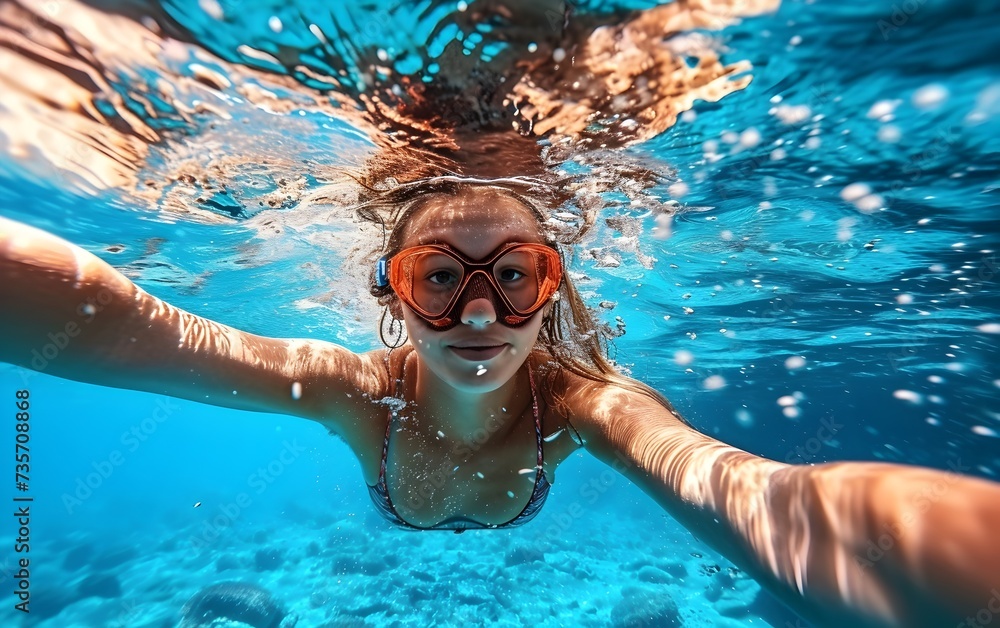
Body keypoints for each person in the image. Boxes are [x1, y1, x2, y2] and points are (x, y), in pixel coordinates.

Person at [2, 173, 999, 628]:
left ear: (550, 288)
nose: (479, 312)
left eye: (514, 276)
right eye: (439, 277)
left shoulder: (585, 406)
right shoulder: (355, 391)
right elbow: (132, 327)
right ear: (393, 294)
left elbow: (755, 491)